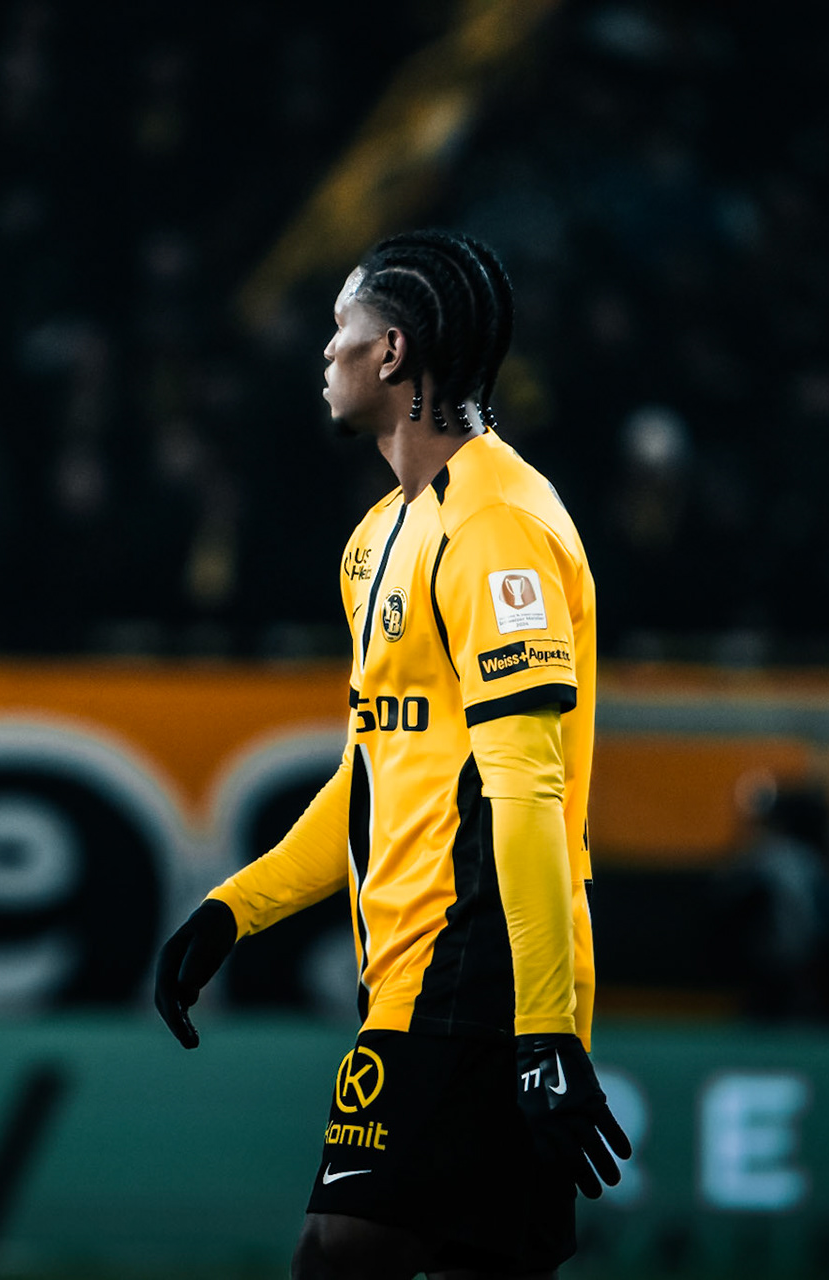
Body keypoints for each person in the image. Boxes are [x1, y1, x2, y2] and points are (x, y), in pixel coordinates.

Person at [154, 230, 628, 1279]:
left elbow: (528, 786)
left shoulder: (500, 525)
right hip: (421, 975)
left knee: (335, 1258)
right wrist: (235, 909)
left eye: (341, 328)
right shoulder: (379, 538)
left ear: (394, 351)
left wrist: (544, 1029)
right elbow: (373, 775)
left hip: (476, 971)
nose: (324, 351)